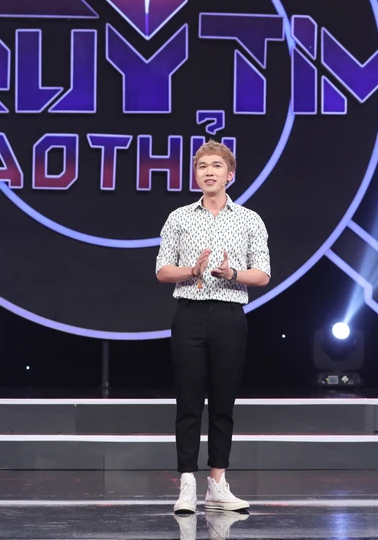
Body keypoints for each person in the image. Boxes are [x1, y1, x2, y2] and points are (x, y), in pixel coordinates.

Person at [155, 140, 271, 515]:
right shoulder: (179, 217)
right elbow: (162, 271)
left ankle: (218, 484)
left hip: (229, 316)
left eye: (216, 166)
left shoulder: (249, 219)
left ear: (230, 175)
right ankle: (187, 484)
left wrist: (232, 273)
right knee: (188, 403)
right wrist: (192, 270)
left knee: (223, 403)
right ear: (196, 175)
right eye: (202, 166)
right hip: (189, 313)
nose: (209, 171)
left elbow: (263, 274)